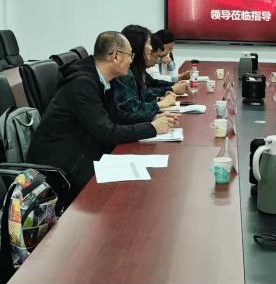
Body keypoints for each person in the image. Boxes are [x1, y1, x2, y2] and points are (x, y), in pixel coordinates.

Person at [27, 31, 179, 202]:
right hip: (62, 169)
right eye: (130, 55)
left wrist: (153, 118)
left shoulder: (103, 80)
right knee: (129, 196)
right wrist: (151, 129)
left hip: (83, 153)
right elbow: (106, 132)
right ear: (116, 56)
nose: (131, 61)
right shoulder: (82, 84)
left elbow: (116, 116)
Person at [113, 26, 178, 115]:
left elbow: (143, 94)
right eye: (149, 43)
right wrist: (159, 104)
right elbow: (132, 109)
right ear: (139, 46)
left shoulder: (136, 69)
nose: (151, 48)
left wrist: (158, 99)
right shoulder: (125, 72)